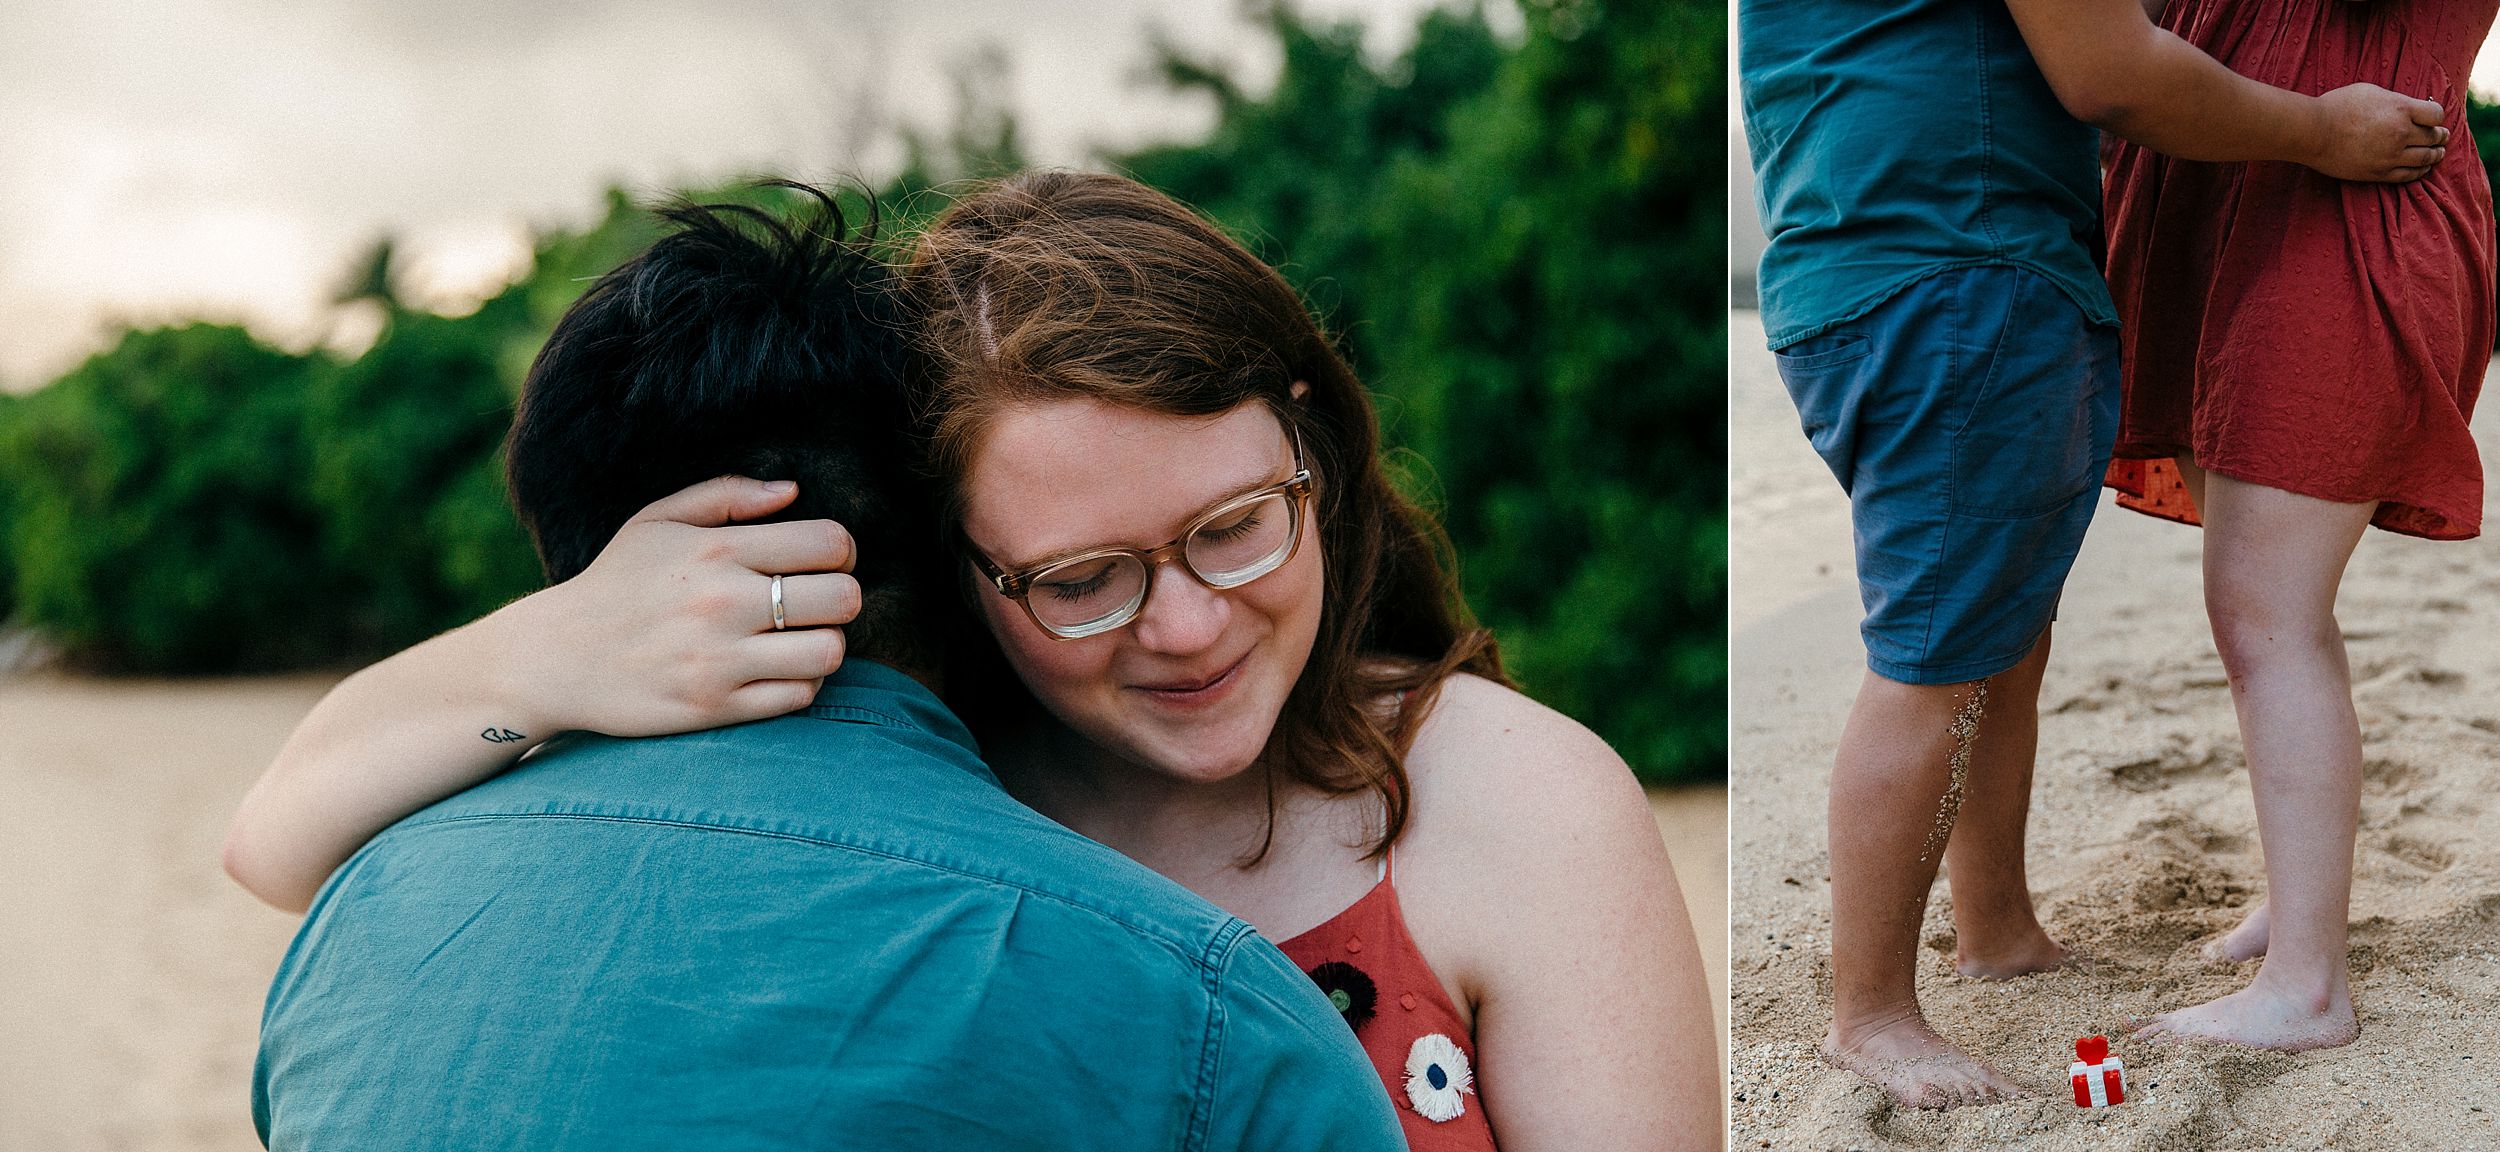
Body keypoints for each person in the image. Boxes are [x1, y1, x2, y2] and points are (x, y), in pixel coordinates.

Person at [228, 172, 1719, 1149]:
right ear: (954, 570)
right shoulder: (912, 803)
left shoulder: (1514, 797)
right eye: (1082, 580)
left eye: (1236, 528)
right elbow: (281, 843)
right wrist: (553, 645)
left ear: (1314, 452)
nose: (1188, 625)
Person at [1739, 0, 2448, 1109]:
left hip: (1871, 270)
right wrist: (2318, 131)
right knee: (1935, 661)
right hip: (1955, 269)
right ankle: (1871, 1012)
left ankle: (1997, 928)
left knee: (1994, 631)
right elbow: (2108, 72)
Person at [2101, 0, 2496, 1051]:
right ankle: (2299, 903)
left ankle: (2307, 986)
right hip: (2215, 204)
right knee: (2273, 617)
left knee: (2265, 613)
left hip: (2340, 210)